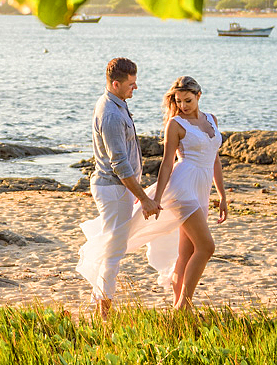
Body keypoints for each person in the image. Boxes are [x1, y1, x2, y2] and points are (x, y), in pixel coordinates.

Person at [77, 73, 228, 313]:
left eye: (188, 100)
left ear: (199, 96)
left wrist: (222, 196)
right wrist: (156, 199)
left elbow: (215, 160)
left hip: (201, 188)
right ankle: (183, 308)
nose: (183, 105)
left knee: (187, 252)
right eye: (178, 101)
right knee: (206, 247)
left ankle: (180, 307)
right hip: (182, 188)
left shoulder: (211, 120)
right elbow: (166, 164)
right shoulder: (175, 124)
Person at [76, 57, 161, 318]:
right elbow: (120, 164)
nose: (135, 87)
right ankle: (104, 313)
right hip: (113, 189)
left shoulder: (117, 104)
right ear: (116, 84)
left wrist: (134, 190)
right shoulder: (111, 114)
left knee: (113, 247)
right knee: (114, 252)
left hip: (118, 189)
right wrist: (143, 197)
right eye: (131, 84)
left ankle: (100, 305)